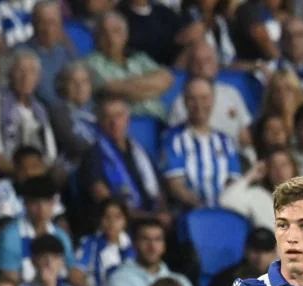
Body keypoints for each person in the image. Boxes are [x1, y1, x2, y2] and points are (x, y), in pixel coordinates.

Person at [77, 91, 165, 215]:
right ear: (99, 122)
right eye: (107, 117)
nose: (114, 123)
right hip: (121, 220)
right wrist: (142, 217)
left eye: (119, 116)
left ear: (127, 119)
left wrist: (161, 212)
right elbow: (101, 195)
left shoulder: (140, 151)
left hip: (151, 217)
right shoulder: (92, 155)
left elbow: (158, 189)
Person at [161, 78, 242, 210]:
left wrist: (220, 207)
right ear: (185, 102)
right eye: (193, 99)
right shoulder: (172, 139)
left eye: (204, 98)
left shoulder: (225, 141)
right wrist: (203, 208)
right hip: (190, 212)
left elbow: (233, 181)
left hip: (225, 210)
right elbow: (175, 186)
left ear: (213, 100)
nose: (199, 105)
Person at [0, 49, 58, 176]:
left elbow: (50, 156)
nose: (26, 77)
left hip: (37, 178)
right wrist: (23, 175)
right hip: (5, 175)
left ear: (38, 78)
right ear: (10, 74)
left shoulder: (40, 110)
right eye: (20, 71)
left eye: (32, 72)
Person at [86, 11, 172, 119]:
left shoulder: (140, 58)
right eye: (104, 33)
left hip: (160, 120)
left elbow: (166, 79)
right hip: (123, 124)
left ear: (125, 35)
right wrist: (151, 88)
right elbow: (112, 90)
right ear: (96, 37)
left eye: (116, 31)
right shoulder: (91, 63)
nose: (110, 38)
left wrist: (128, 87)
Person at [73, 198, 134, 286]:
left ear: (125, 221)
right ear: (100, 220)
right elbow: (76, 275)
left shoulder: (134, 244)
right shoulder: (89, 243)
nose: (111, 222)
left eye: (117, 217)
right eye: (106, 217)